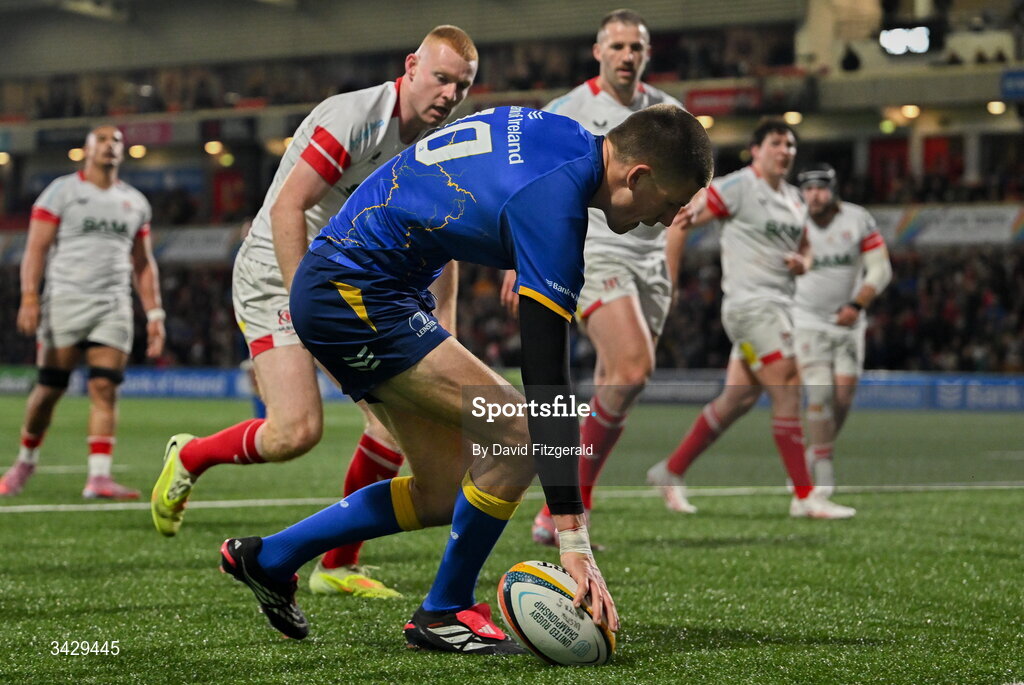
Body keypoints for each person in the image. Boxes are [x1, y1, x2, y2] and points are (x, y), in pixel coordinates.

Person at [217, 104, 712, 653]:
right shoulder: (557, 210)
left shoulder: (562, 133)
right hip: (356, 294)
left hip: (360, 284)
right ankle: (445, 609)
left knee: (442, 492)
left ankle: (269, 557)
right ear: (637, 175)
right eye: (670, 205)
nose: (668, 221)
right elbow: (547, 383)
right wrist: (574, 539)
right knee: (524, 433)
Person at [151, 26, 475, 599]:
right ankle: (191, 456)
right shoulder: (354, 117)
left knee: (393, 428)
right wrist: (310, 304)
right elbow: (287, 209)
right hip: (281, 272)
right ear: (412, 67)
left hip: (355, 285)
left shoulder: (442, 140)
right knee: (295, 432)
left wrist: (443, 318)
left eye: (463, 85)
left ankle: (336, 568)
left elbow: (439, 233)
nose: (449, 94)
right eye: (442, 78)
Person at [499, 9, 693, 544]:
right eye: (619, 46)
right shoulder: (570, 109)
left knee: (620, 384)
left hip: (650, 265)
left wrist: (668, 278)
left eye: (637, 47)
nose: (628, 55)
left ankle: (555, 510)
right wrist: (523, 260)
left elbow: (683, 212)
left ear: (647, 55)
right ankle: (567, 510)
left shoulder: (669, 115)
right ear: (599, 52)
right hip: (595, 251)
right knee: (631, 369)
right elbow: (531, 181)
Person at [647, 118, 856, 519]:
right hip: (750, 308)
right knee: (789, 385)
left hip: (781, 307)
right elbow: (680, 219)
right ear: (756, 149)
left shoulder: (795, 200)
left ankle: (670, 471)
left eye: (791, 145)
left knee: (737, 399)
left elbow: (808, 247)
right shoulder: (738, 187)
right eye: (777, 143)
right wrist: (670, 282)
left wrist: (802, 262)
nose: (785, 151)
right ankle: (805, 496)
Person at [0, 125, 164, 499]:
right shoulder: (62, 191)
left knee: (105, 387)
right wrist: (29, 296)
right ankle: (25, 461)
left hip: (113, 305)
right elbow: (36, 248)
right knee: (49, 389)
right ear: (87, 150)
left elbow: (142, 263)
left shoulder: (135, 202)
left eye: (116, 141)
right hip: (65, 301)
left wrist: (155, 315)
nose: (110, 146)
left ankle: (99, 477)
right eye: (102, 140)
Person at [793, 164, 891, 502]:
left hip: (849, 322)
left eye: (820, 188)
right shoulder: (793, 222)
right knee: (818, 392)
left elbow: (881, 268)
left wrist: (857, 304)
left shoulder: (857, 219)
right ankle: (823, 472)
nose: (813, 196)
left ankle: (816, 451)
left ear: (833, 190)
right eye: (807, 189)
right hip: (806, 320)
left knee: (844, 398)